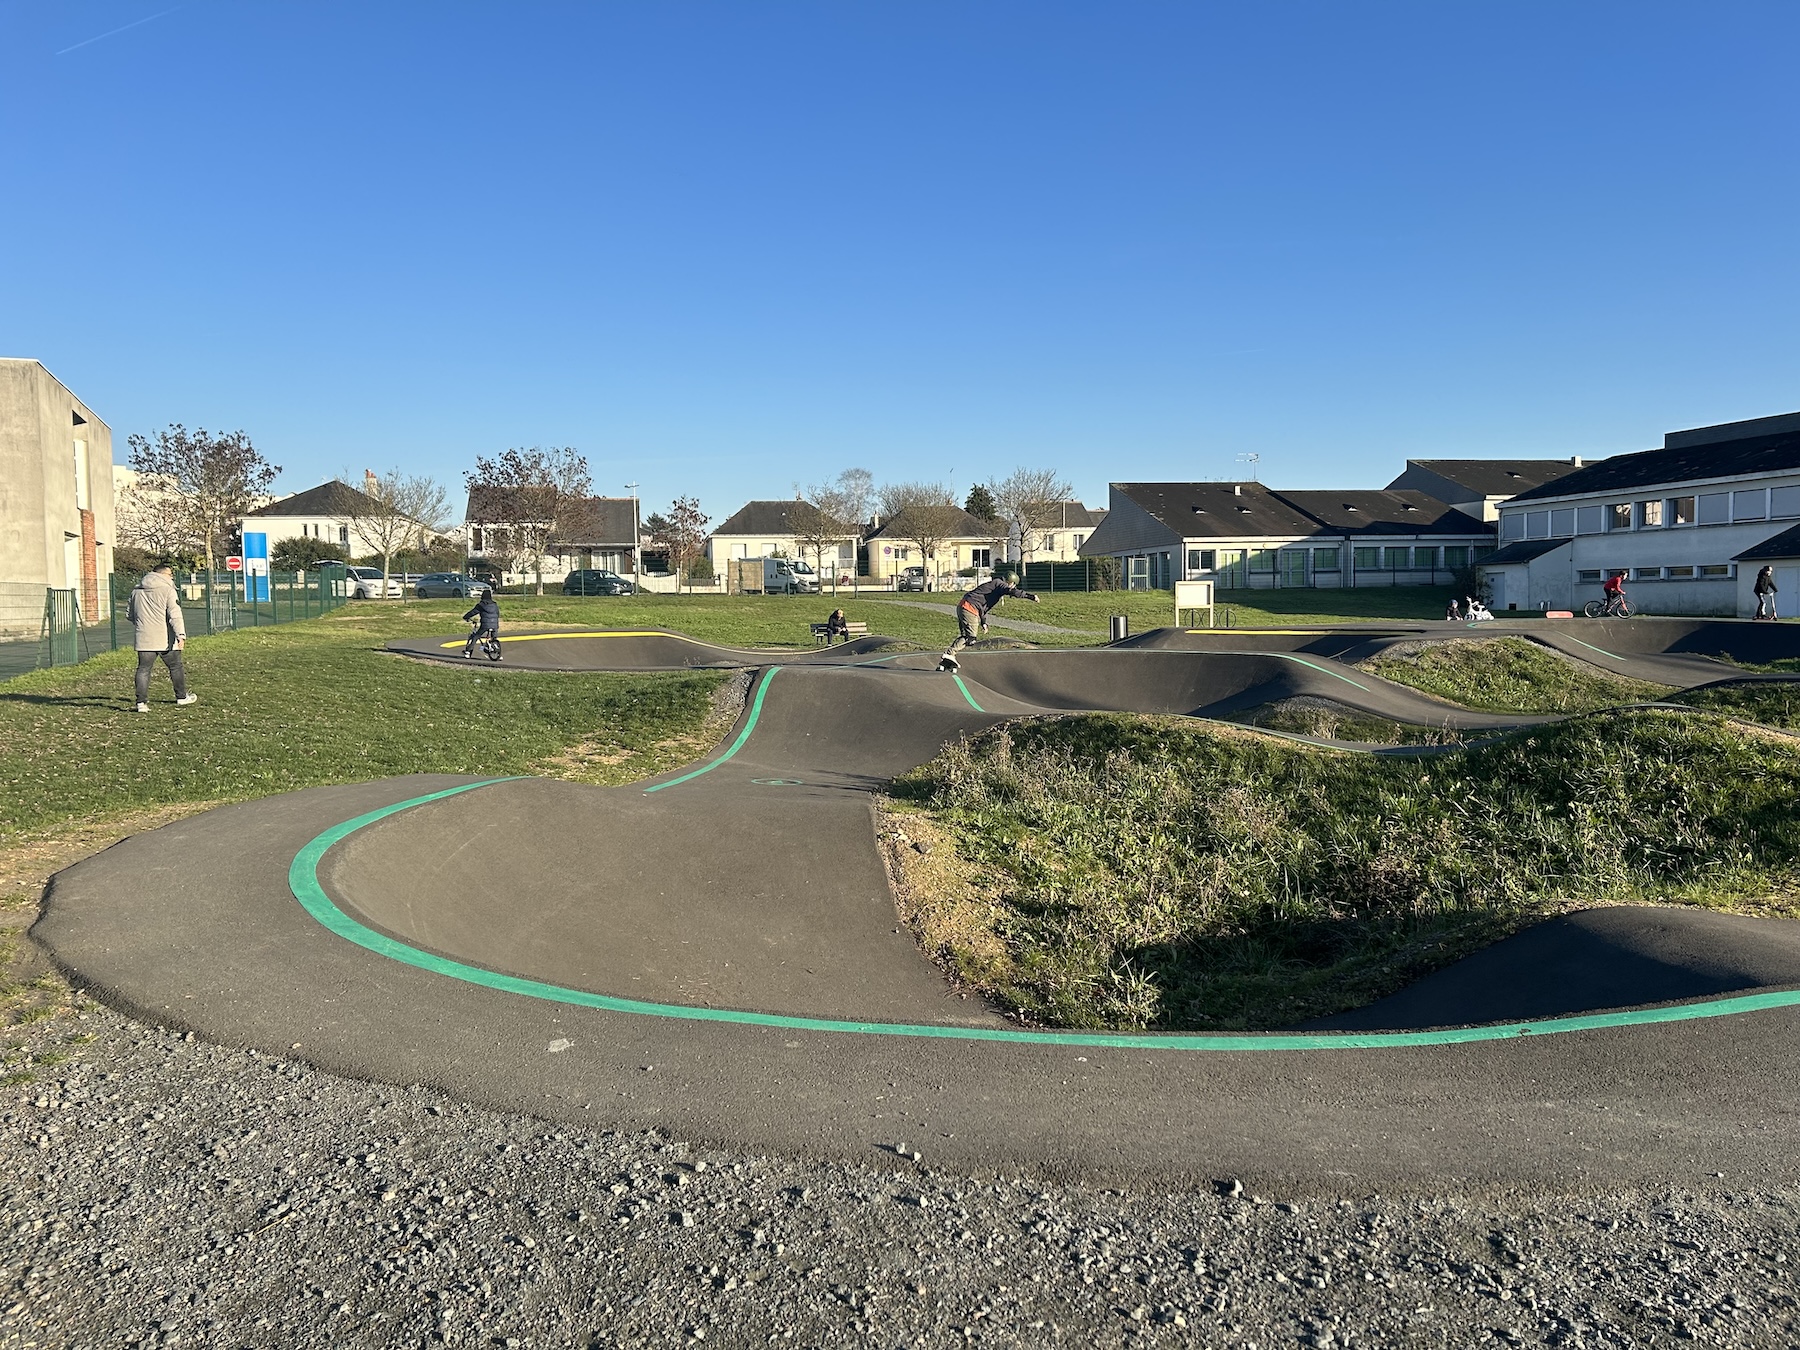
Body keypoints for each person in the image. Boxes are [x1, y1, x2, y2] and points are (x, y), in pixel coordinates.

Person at [127, 563, 198, 712]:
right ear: (163, 575)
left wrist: (141, 624)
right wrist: (181, 635)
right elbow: (175, 614)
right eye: (170, 574)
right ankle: (181, 697)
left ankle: (141, 703)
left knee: (143, 669)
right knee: (175, 666)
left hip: (144, 637)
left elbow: (130, 614)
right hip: (165, 638)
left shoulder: (137, 590)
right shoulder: (168, 590)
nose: (172, 577)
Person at [938, 574, 1038, 671]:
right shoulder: (1000, 584)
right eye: (1014, 584)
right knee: (971, 638)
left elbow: (983, 606)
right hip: (970, 609)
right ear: (1011, 582)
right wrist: (1031, 597)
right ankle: (949, 653)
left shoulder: (994, 585)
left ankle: (947, 660)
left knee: (965, 636)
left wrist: (984, 623)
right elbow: (1013, 592)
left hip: (963, 606)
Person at [462, 587, 501, 658]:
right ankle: (496, 649)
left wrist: (466, 617)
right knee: (493, 637)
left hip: (485, 624)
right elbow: (498, 614)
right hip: (495, 623)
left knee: (476, 636)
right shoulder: (494, 604)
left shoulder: (481, 605)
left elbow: (473, 612)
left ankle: (468, 652)